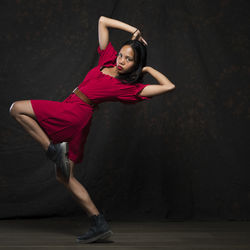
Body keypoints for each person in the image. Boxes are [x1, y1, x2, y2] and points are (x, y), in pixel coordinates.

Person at [9, 16, 175, 243]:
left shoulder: (126, 88)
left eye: (129, 60)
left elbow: (169, 86)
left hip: (75, 113)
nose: (121, 60)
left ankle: (51, 149)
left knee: (16, 108)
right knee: (64, 176)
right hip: (76, 115)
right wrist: (134, 30)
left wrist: (148, 68)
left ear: (135, 65)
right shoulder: (107, 60)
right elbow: (102, 21)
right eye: (121, 55)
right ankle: (99, 223)